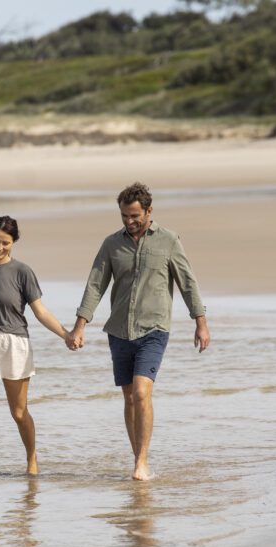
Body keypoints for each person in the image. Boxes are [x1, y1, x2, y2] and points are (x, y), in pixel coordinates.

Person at [68, 182, 210, 481]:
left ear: (149, 211)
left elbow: (187, 282)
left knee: (143, 392)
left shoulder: (169, 241)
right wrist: (80, 325)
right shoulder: (111, 244)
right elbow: (96, 284)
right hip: (119, 330)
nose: (130, 221)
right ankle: (138, 458)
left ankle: (142, 462)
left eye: (135, 216)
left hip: (154, 328)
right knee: (130, 397)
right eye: (124, 216)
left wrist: (200, 322)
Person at [0, 216, 70, 479]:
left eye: (5, 243)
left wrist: (65, 335)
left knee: (19, 411)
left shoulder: (23, 272)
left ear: (13, 243)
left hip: (14, 343)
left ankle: (32, 459)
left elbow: (40, 311)